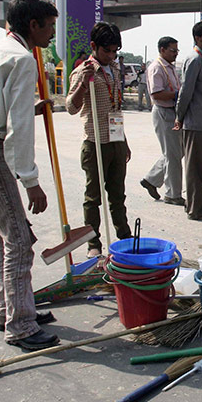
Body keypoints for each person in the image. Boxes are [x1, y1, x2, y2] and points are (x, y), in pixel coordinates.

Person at [0, 0, 59, 350]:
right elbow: (18, 128)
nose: (52, 34)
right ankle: (20, 325)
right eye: (49, 27)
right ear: (33, 26)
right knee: (19, 240)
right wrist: (31, 180)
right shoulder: (22, 59)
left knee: (3, 235)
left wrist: (31, 107)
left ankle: (12, 309)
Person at [66, 22, 132, 256]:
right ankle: (93, 245)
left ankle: (125, 238)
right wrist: (83, 85)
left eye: (115, 51)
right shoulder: (84, 71)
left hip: (115, 140)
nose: (111, 55)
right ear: (94, 46)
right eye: (107, 51)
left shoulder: (114, 69)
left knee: (118, 195)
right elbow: (71, 107)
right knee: (93, 197)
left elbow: (117, 108)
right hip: (94, 142)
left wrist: (124, 140)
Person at [174, 21, 202, 221]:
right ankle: (196, 209)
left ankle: (197, 204)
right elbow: (185, 92)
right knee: (196, 168)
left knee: (201, 167)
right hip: (196, 124)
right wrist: (179, 116)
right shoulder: (194, 60)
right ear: (198, 38)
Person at [140, 36, 184, 206]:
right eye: (173, 50)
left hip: (172, 112)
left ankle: (151, 179)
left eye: (177, 51)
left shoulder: (170, 67)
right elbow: (156, 94)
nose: (175, 54)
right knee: (172, 155)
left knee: (177, 151)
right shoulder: (157, 68)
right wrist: (178, 95)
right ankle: (173, 194)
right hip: (164, 112)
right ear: (162, 49)